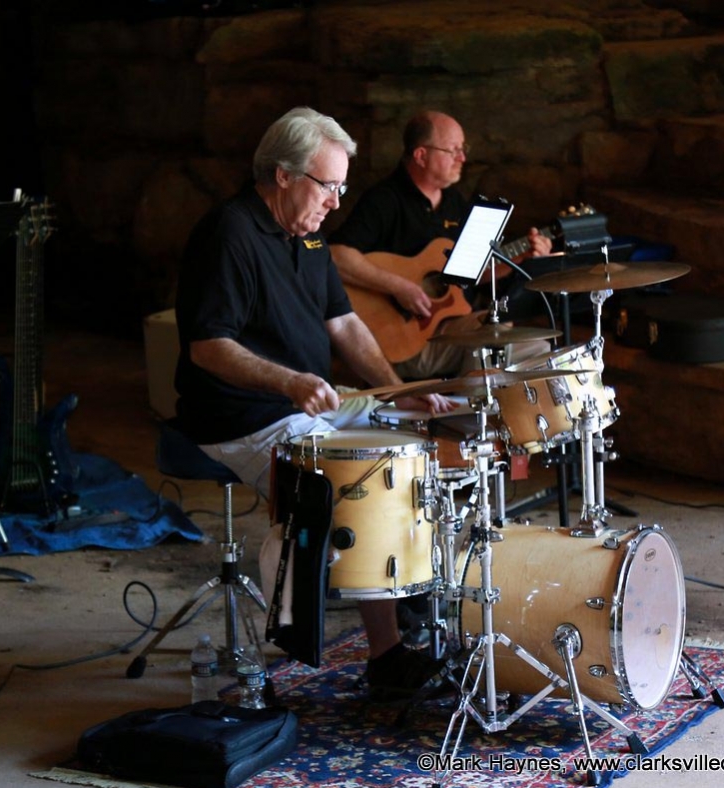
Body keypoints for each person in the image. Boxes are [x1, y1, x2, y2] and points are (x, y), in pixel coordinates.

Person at [174, 106, 456, 698]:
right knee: (354, 472)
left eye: (341, 188)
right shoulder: (228, 234)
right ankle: (381, 656)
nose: (334, 202)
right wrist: (288, 382)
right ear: (283, 175)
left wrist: (398, 392)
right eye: (328, 186)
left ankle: (414, 606)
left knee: (412, 438)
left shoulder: (307, 235)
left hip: (308, 402)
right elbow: (207, 346)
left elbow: (344, 323)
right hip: (242, 415)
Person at [329, 110, 553, 380]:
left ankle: (476, 398)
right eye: (453, 150)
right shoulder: (384, 200)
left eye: (463, 149)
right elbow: (336, 255)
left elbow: (469, 275)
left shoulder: (454, 203)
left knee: (539, 349)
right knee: (492, 336)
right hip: (399, 341)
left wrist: (518, 259)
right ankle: (475, 402)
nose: (462, 158)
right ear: (421, 155)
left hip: (449, 327)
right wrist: (399, 287)